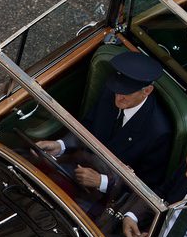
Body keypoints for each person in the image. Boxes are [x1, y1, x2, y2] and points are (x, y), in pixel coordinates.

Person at [36, 51, 172, 192]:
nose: (119, 97)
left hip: (107, 195)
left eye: (127, 93)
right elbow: (88, 127)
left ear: (147, 91)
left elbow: (148, 183)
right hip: (77, 165)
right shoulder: (111, 92)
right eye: (117, 90)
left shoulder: (158, 132)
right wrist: (60, 145)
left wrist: (103, 182)